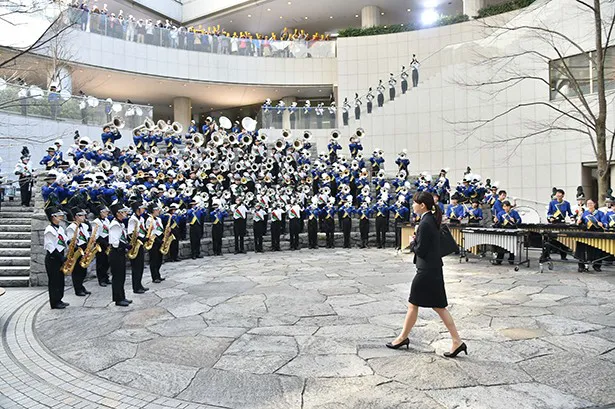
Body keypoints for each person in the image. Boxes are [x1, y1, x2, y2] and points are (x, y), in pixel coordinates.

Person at [386, 191, 466, 358]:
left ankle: (402, 338)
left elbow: (421, 250)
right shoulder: (430, 220)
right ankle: (456, 341)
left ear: (422, 205)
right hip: (432, 269)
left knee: (415, 304)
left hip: (426, 271)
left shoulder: (425, 222)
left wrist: (412, 243)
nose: (413, 205)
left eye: (415, 203)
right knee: (438, 307)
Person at [43, 206, 69, 309]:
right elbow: (50, 247)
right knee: (54, 281)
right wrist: (61, 258)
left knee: (60, 280)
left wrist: (71, 243)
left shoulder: (60, 228)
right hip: (53, 258)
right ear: (53, 217)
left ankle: (59, 299)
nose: (61, 217)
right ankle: (54, 302)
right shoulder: (49, 230)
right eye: (59, 216)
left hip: (60, 256)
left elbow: (65, 239)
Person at [108, 202, 132, 307]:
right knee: (117, 277)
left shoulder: (120, 224)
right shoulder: (114, 225)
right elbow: (115, 241)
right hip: (116, 253)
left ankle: (122, 296)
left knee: (121, 276)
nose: (125, 213)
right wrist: (126, 246)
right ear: (118, 213)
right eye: (123, 212)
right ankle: (118, 299)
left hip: (120, 252)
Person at [66, 207, 91, 296]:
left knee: (83, 270)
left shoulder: (84, 226)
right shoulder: (71, 228)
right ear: (76, 217)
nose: (84, 217)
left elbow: (87, 237)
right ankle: (78, 289)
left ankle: (81, 286)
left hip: (84, 249)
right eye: (82, 216)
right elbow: (71, 241)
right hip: (77, 250)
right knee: (77, 271)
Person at [543, 188, 573, 261]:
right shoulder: (552, 203)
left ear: (563, 195)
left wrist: (572, 218)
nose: (558, 195)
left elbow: (570, 213)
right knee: (550, 239)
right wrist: (550, 218)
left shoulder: (566, 203)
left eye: (560, 194)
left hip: (562, 223)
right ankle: (546, 255)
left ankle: (563, 256)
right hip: (554, 223)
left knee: (564, 239)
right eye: (557, 194)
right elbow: (549, 213)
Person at [576, 198, 605, 272]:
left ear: (594, 204)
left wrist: (602, 224)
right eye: (588, 204)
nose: (589, 205)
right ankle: (581, 265)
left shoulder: (600, 213)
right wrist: (579, 221)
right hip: (586, 233)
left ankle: (597, 265)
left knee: (598, 249)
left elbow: (605, 223)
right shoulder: (585, 213)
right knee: (581, 246)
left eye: (591, 204)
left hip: (597, 233)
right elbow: (581, 222)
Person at [127, 200, 148, 293]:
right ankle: (136, 287)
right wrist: (141, 239)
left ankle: (139, 284)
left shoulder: (141, 219)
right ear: (137, 209)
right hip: (135, 244)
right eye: (142, 208)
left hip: (140, 243)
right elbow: (131, 233)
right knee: (136, 267)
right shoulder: (133, 219)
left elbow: (142, 230)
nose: (144, 210)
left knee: (140, 266)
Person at [494, 200, 521, 265]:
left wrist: (514, 221)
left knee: (512, 246)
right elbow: (498, 224)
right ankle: (499, 260)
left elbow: (519, 220)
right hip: (504, 230)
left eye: (507, 206)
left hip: (512, 230)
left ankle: (511, 259)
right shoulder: (500, 213)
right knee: (501, 246)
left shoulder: (514, 212)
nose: (506, 208)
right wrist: (496, 221)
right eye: (505, 206)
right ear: (503, 207)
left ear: (510, 207)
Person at [92, 204, 111, 286]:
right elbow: (96, 235)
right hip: (100, 243)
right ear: (100, 212)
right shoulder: (96, 222)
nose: (107, 213)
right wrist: (105, 243)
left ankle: (106, 277)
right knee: (101, 262)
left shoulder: (107, 220)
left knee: (107, 262)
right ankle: (101, 279)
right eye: (105, 211)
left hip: (107, 241)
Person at [146, 203, 165, 283]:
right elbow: (150, 232)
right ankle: (155, 276)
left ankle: (158, 274)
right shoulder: (149, 220)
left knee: (159, 259)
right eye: (157, 210)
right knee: (154, 259)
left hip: (160, 238)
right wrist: (158, 240)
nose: (158, 211)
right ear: (152, 211)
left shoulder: (159, 219)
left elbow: (160, 229)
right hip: (153, 240)